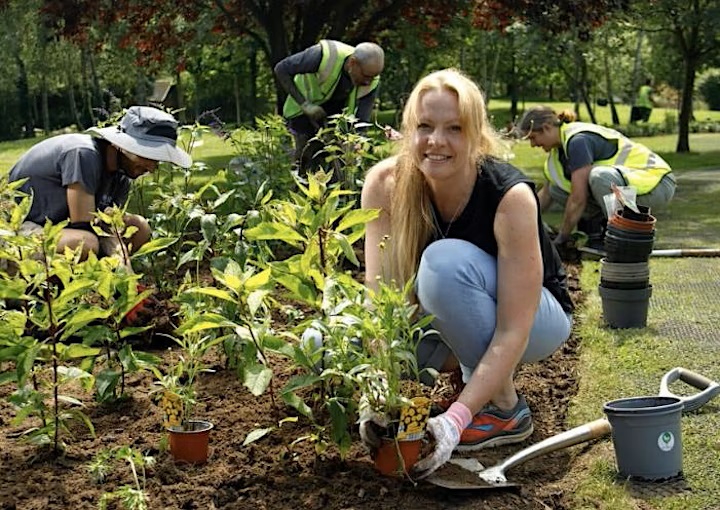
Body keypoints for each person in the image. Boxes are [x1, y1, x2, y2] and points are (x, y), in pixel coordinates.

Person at [359, 69, 574, 479]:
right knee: (329, 337)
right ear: (409, 130)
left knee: (443, 263)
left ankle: (505, 408)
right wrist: (375, 390)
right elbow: (379, 304)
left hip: (537, 321)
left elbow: (514, 329)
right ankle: (472, 382)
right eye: (425, 126)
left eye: (454, 128)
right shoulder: (386, 185)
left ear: (475, 135)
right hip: (456, 314)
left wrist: (455, 420)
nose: (436, 141)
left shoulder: (509, 197)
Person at [8, 106, 192, 265]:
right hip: (16, 231)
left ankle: (101, 291)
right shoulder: (83, 154)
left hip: (60, 231)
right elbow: (85, 226)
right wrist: (122, 266)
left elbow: (107, 227)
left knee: (139, 227)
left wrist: (124, 273)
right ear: (122, 146)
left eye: (157, 160)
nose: (151, 168)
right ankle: (49, 293)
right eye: (147, 156)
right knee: (86, 243)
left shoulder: (121, 178)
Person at [515, 106, 676, 250]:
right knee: (557, 189)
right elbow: (546, 195)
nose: (533, 145)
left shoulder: (578, 140)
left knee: (599, 177)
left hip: (657, 183)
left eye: (533, 137)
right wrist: (518, 219)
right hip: (629, 190)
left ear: (546, 128)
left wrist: (561, 238)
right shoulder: (558, 153)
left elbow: (578, 198)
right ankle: (596, 234)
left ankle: (626, 238)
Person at [274, 40, 385, 172]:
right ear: (352, 63)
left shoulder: (372, 81)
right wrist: (305, 105)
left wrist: (356, 144)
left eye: (373, 77)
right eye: (366, 76)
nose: (368, 82)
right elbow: (281, 69)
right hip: (301, 113)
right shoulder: (324, 55)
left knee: (336, 165)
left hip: (335, 117)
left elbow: (362, 121)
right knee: (302, 161)